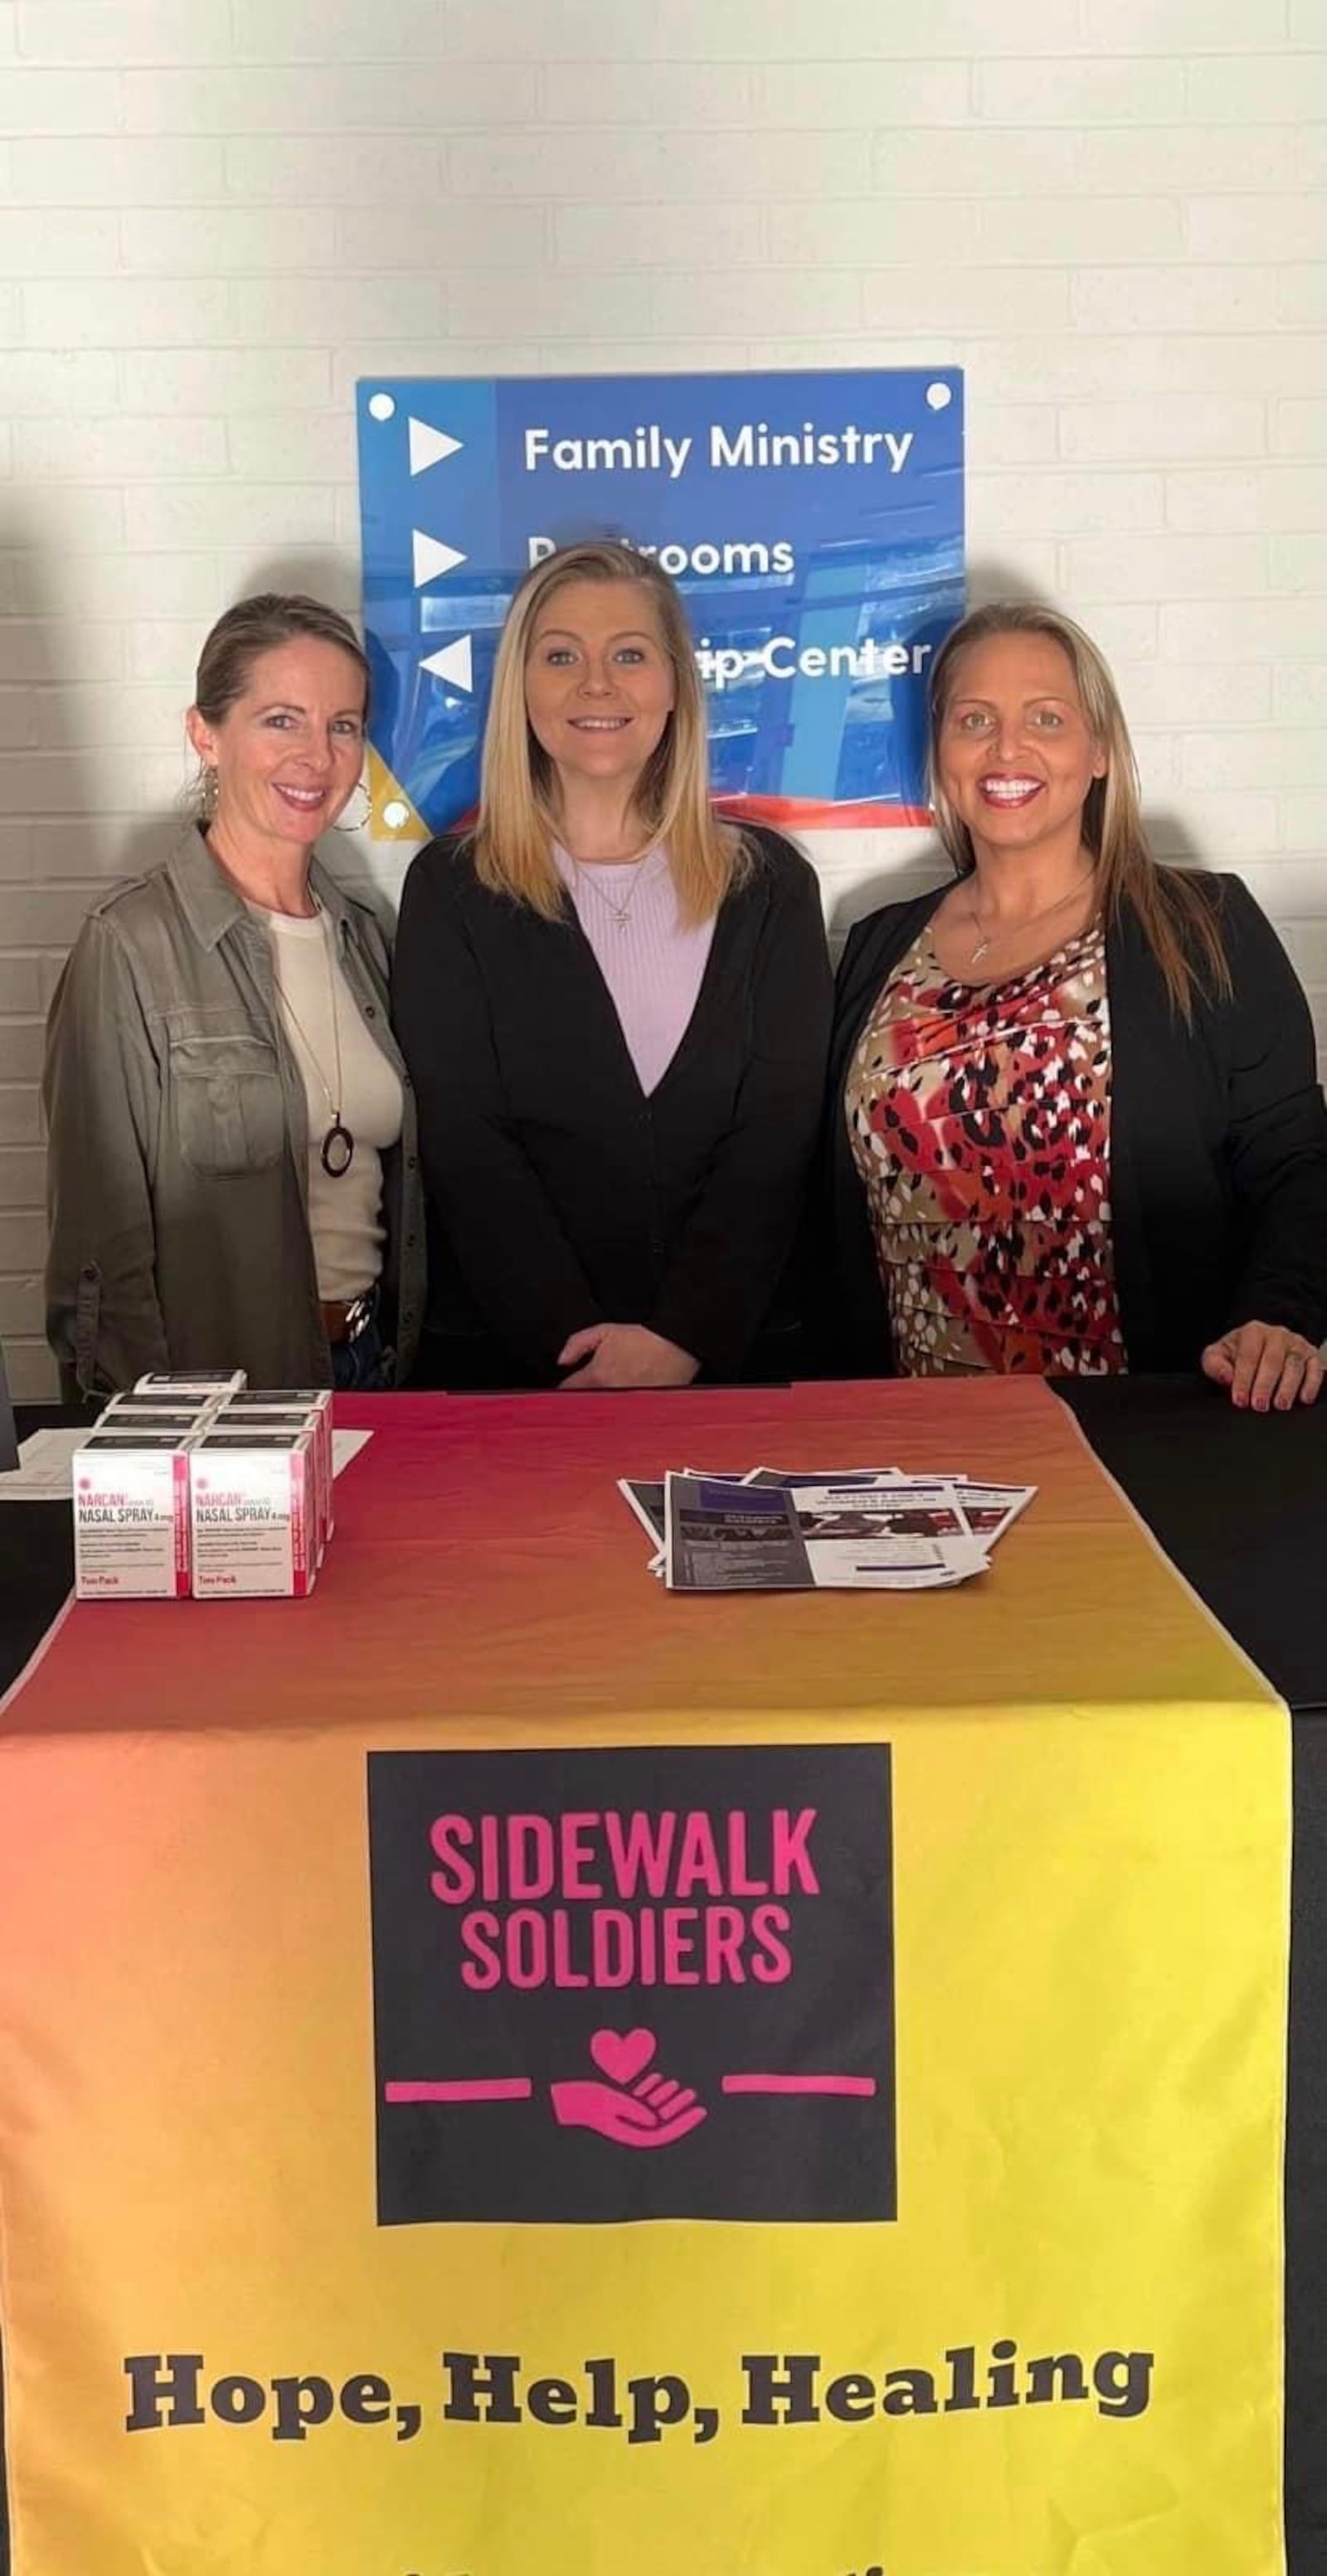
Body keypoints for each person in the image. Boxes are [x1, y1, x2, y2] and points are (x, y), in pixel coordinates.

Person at [824, 600, 1327, 1411]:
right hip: (911, 1442)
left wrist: (1277, 1316)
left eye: (1045, 717)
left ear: (1098, 749)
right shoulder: (878, 944)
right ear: (941, 747)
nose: (1007, 748)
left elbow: (1296, 1162)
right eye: (974, 718)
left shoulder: (1202, 926)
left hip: (1141, 1434)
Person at [392, 540, 832, 1390]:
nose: (597, 684)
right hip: (528, 1375)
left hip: (737, 1366)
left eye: (629, 654)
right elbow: (466, 1143)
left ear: (675, 685)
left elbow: (777, 1134)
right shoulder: (450, 891)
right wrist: (577, 1348)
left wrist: (681, 1335)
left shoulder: (771, 886)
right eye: (560, 656)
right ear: (520, 688)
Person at [44, 594, 424, 1395]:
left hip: (378, 1373)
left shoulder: (366, 938)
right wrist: (151, 1445)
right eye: (281, 720)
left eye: (343, 725)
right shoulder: (131, 943)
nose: (317, 757)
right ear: (205, 735)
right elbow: (97, 1251)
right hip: (226, 1404)